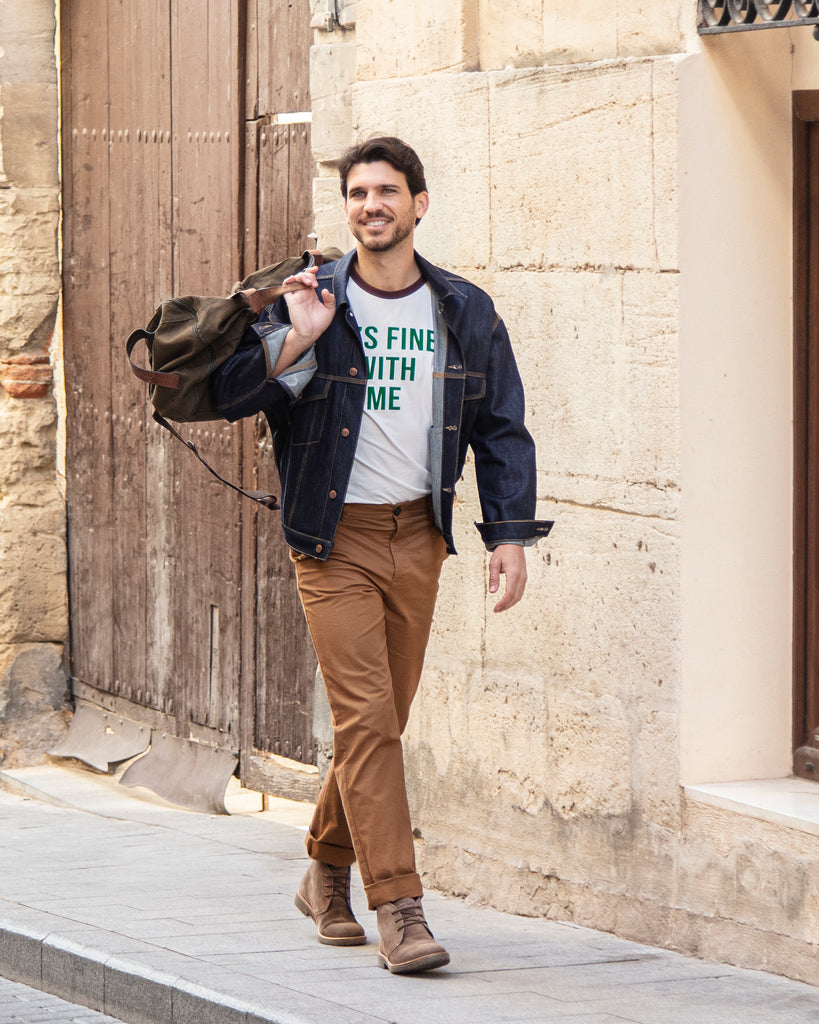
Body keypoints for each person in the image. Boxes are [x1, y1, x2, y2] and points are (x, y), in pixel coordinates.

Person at [211, 136, 552, 974]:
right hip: (334, 538)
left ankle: (323, 871)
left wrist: (507, 533)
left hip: (419, 536)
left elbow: (499, 427)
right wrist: (297, 336)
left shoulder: (463, 309)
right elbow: (227, 396)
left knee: (381, 723)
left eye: (388, 191)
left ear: (418, 204)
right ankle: (398, 907)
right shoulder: (309, 299)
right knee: (367, 720)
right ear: (348, 208)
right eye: (359, 193)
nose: (372, 205)